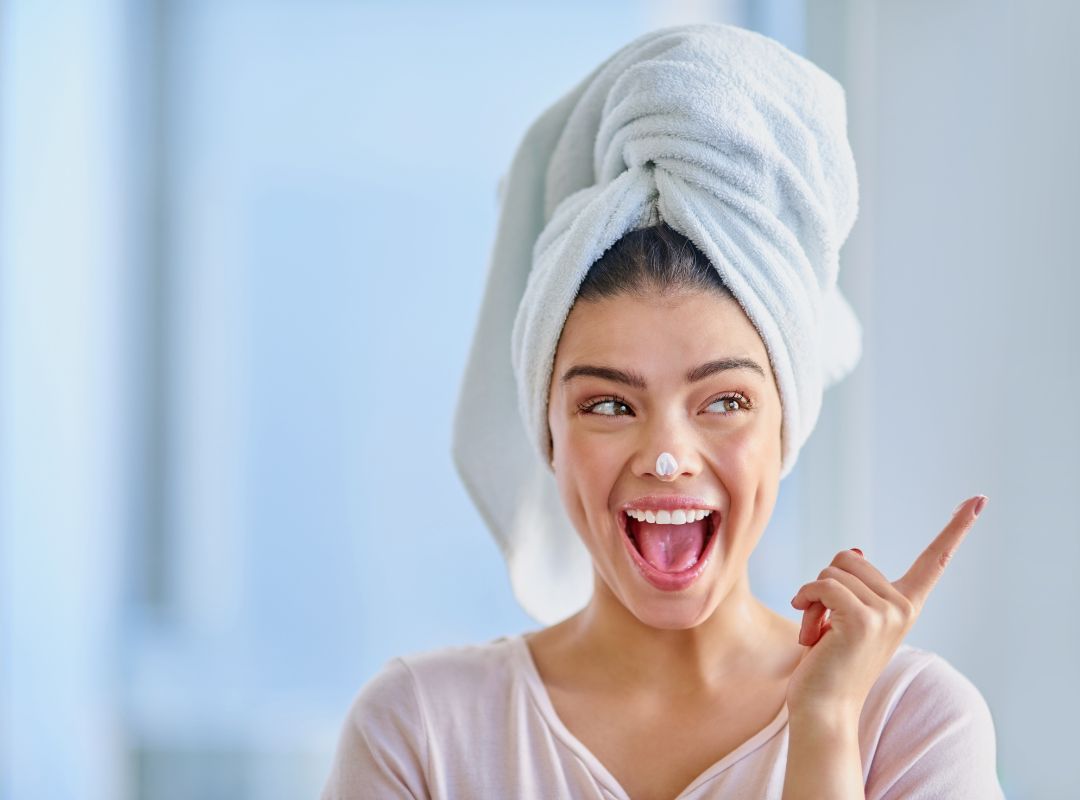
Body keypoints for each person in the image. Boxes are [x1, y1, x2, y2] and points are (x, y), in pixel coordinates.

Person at [322, 23, 1005, 800]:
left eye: (724, 401)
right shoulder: (420, 733)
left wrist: (821, 729)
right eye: (610, 403)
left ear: (788, 422)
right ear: (548, 429)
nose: (668, 455)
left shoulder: (909, 724)